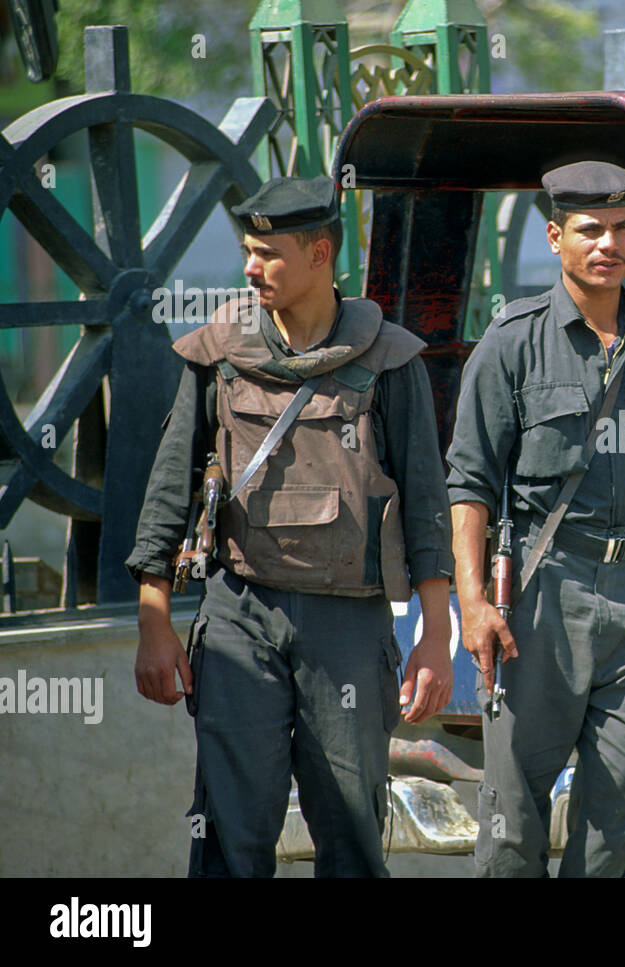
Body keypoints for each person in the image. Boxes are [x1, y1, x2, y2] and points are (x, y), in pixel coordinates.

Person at [127, 176, 454, 878]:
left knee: (352, 840)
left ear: (319, 254)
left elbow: (428, 506)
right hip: (241, 614)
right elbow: (168, 492)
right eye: (248, 250)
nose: (251, 267)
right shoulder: (215, 354)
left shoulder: (391, 360)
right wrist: (155, 619)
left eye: (268, 253)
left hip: (349, 627)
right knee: (229, 840)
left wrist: (434, 635)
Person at [445, 161, 625, 877]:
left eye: (624, 227)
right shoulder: (512, 341)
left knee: (613, 813)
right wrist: (472, 604)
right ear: (555, 236)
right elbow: (467, 482)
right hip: (542, 592)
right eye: (590, 229)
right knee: (513, 816)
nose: (609, 243)